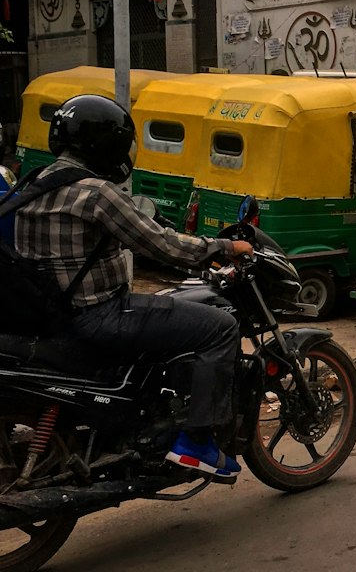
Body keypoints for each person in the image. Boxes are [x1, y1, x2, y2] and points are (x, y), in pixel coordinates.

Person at [15, 95, 253, 480]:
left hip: (51, 319)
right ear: (106, 143)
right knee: (220, 327)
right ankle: (196, 442)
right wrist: (223, 247)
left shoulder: (34, 183)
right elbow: (162, 244)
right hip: (101, 316)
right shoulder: (95, 193)